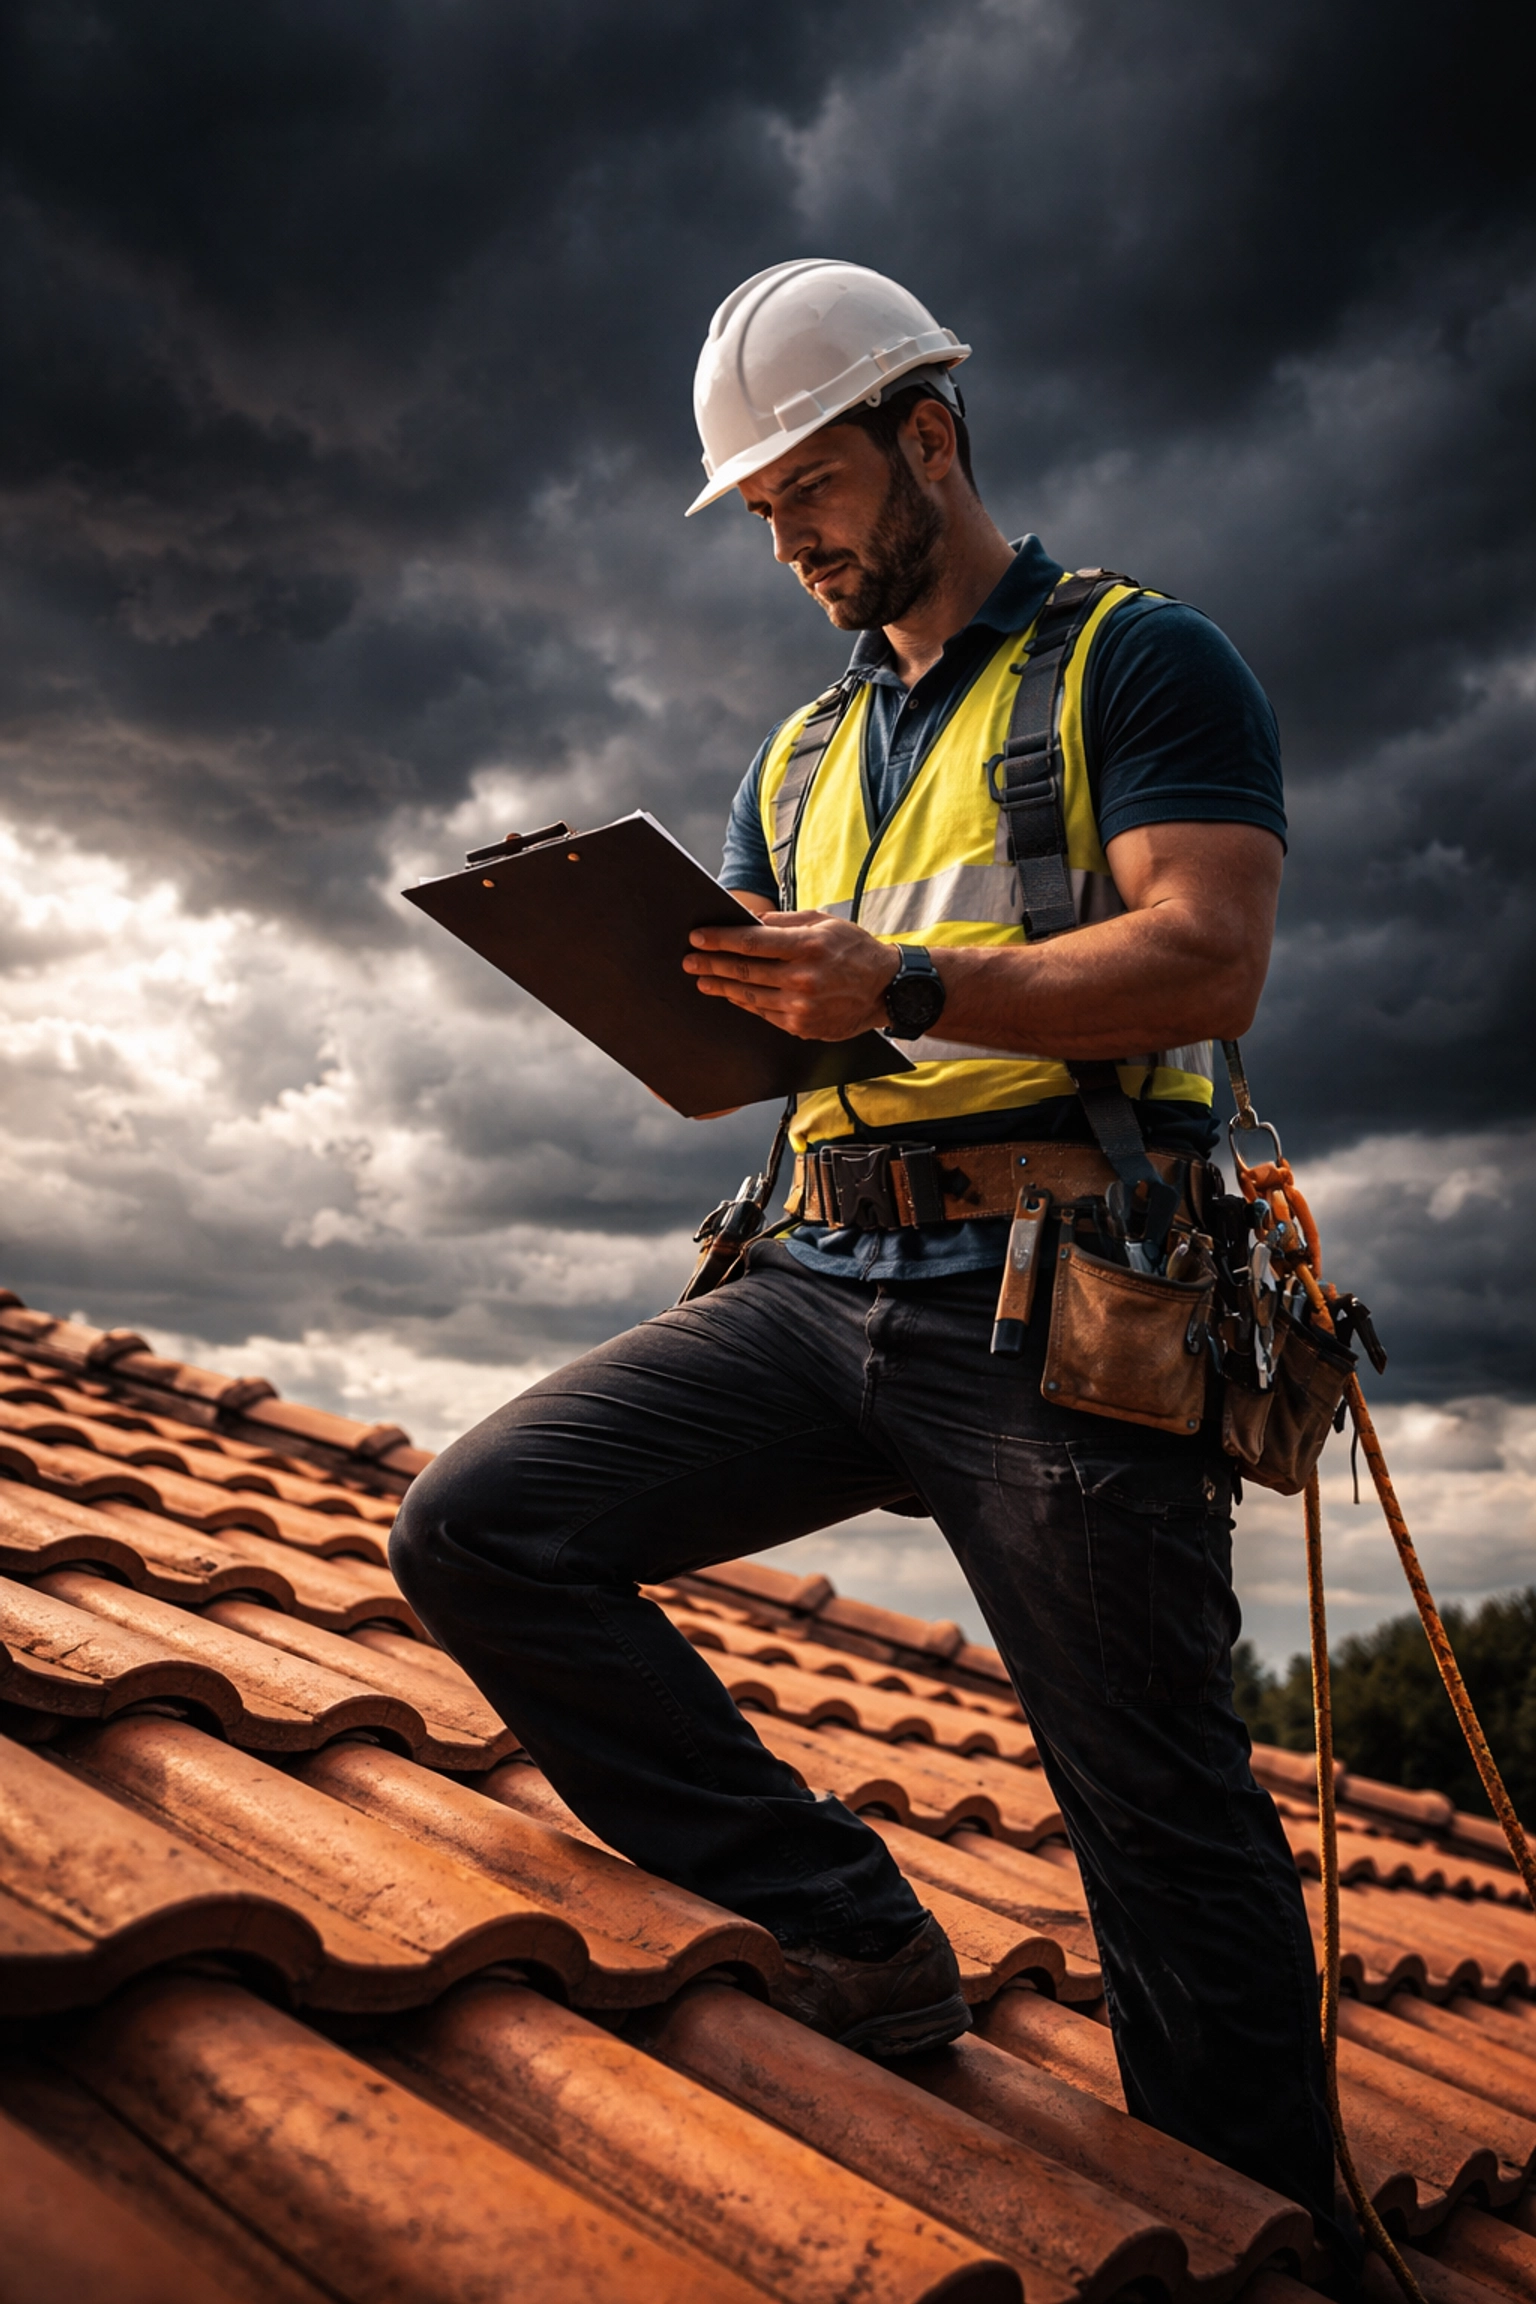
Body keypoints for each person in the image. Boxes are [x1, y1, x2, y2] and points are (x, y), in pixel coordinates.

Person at [392, 259, 1352, 2263]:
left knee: (1158, 1820)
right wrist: (639, 953)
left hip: (1054, 1299)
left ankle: (1272, 2237)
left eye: (809, 488)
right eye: (757, 515)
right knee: (480, 1530)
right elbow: (756, 1012)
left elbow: (1211, 952)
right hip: (820, 1283)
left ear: (931, 434)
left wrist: (906, 976)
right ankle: (853, 1933)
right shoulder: (799, 758)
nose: (791, 539)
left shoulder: (1142, 668)